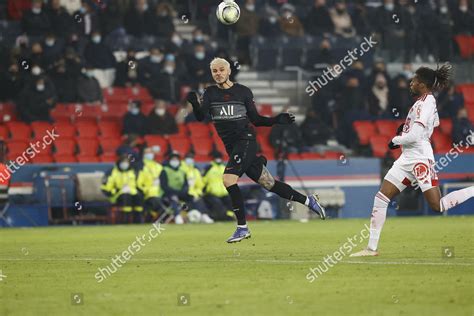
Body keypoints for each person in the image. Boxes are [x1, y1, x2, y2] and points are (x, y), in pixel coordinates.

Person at [186, 57, 326, 243]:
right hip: (232, 147)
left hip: (246, 140)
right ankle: (309, 201)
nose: (218, 73)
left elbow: (256, 119)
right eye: (214, 71)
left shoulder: (243, 91)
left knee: (228, 179)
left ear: (228, 71)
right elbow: (201, 117)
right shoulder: (210, 93)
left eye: (221, 70)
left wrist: (276, 120)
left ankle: (242, 228)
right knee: (269, 183)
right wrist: (195, 104)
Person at [351, 64, 474, 257]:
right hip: (406, 158)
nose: (411, 82)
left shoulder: (426, 103)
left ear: (423, 84)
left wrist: (395, 140)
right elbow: (436, 123)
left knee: (437, 206)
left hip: (420, 160)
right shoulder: (424, 102)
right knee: (381, 198)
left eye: (415, 80)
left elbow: (416, 136)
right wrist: (409, 129)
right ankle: (371, 249)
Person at [101, 155, 144, 224]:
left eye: (126, 162)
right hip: (117, 195)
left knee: (138, 197)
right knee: (126, 197)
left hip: (132, 192)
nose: (125, 164)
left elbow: (139, 184)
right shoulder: (113, 172)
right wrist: (116, 190)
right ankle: (126, 220)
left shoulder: (133, 172)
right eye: (123, 162)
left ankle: (138, 220)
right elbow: (107, 187)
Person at [180, 153, 214, 223]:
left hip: (193, 194)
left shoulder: (195, 171)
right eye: (188, 158)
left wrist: (197, 193)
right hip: (183, 193)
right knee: (192, 200)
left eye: (191, 158)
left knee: (199, 199)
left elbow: (199, 185)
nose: (190, 160)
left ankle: (203, 215)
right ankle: (199, 216)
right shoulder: (180, 169)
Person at [159, 152, 192, 224]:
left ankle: (196, 215)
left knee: (192, 198)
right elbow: (164, 186)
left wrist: (182, 192)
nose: (175, 161)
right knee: (174, 198)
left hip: (180, 193)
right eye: (173, 159)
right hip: (167, 194)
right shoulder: (164, 171)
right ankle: (177, 216)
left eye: (176, 159)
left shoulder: (182, 172)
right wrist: (176, 193)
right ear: (169, 160)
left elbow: (186, 185)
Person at [202, 152, 234, 221]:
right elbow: (203, 181)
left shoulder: (224, 167)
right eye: (217, 158)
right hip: (212, 193)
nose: (218, 159)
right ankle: (222, 217)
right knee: (218, 204)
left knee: (233, 201)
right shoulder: (209, 168)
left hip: (224, 193)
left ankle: (230, 216)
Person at [137, 147, 165, 222]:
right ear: (143, 154)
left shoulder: (158, 166)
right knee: (155, 202)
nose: (150, 154)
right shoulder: (140, 166)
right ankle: (159, 218)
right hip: (148, 193)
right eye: (147, 153)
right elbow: (139, 184)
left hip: (161, 191)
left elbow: (165, 180)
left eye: (151, 153)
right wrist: (147, 190)